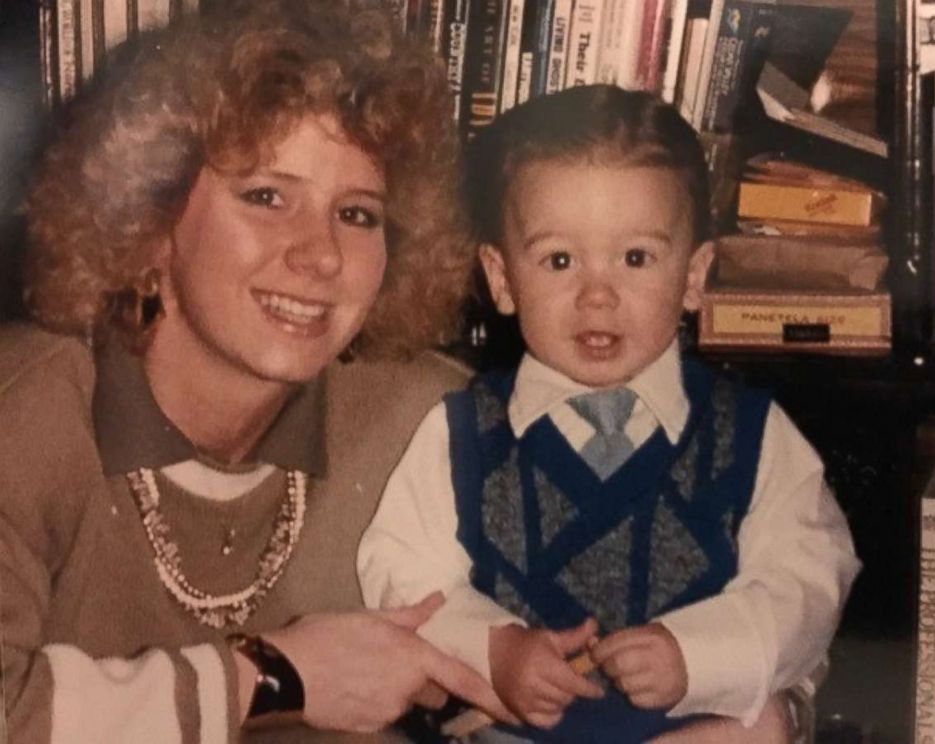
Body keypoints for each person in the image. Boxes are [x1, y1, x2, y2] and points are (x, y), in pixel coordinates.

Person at [0, 1, 515, 742]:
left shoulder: (430, 419)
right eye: (267, 197)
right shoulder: (26, 413)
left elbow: (630, 632)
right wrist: (272, 677)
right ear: (150, 220)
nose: (321, 255)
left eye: (359, 213)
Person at [358, 85, 862, 744]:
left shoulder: (751, 435)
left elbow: (808, 581)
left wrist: (696, 653)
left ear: (694, 275)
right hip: (516, 732)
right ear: (503, 278)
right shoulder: (463, 435)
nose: (597, 294)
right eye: (560, 260)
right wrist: (495, 647)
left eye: (636, 258)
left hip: (689, 728)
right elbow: (404, 576)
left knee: (761, 727)